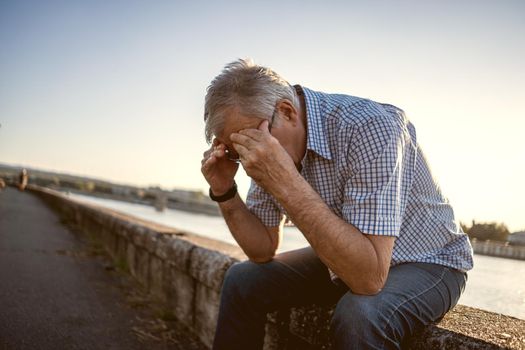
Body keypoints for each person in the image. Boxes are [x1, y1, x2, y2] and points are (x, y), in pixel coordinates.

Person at [201, 59, 473, 350]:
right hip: (353, 254)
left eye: (250, 141)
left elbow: (368, 279)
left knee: (361, 315)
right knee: (242, 280)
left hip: (429, 260)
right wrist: (224, 190)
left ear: (286, 112)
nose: (249, 156)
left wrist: (285, 180)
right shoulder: (267, 143)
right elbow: (262, 248)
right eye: (236, 150)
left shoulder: (370, 126)